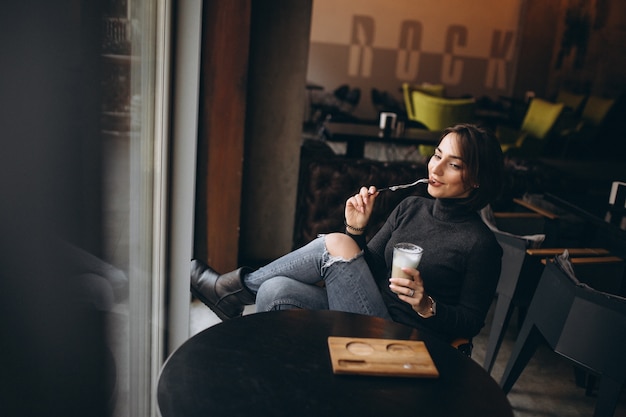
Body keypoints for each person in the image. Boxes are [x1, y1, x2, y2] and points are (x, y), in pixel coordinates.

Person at [191, 123, 504, 344]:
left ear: (476, 179)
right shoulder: (411, 207)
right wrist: (356, 228)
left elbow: (471, 323)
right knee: (275, 290)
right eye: (437, 155)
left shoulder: (481, 244)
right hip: (367, 311)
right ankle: (285, 377)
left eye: (453, 165)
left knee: (335, 242)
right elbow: (368, 266)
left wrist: (427, 306)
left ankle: (230, 291)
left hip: (405, 337)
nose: (434, 169)